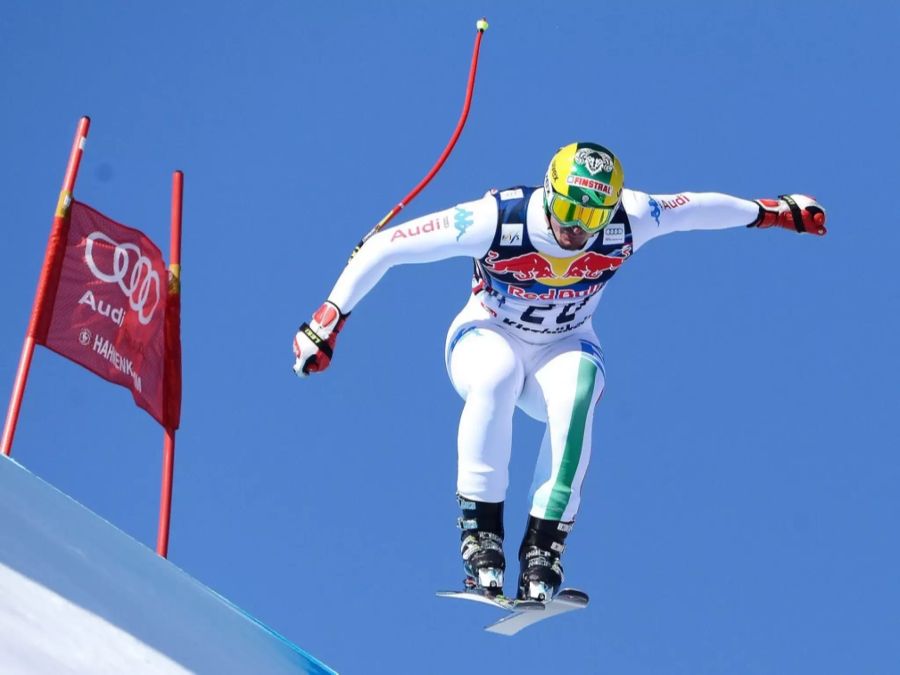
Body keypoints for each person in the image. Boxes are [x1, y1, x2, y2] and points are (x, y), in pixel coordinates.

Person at [292, 142, 826, 602]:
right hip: (485, 334)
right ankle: (481, 532)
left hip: (563, 343)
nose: (576, 228)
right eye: (569, 210)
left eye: (592, 218)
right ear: (549, 192)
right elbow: (386, 247)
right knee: (497, 375)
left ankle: (544, 546)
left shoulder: (631, 217)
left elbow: (696, 208)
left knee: (579, 393)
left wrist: (773, 211)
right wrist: (328, 319)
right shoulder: (496, 218)